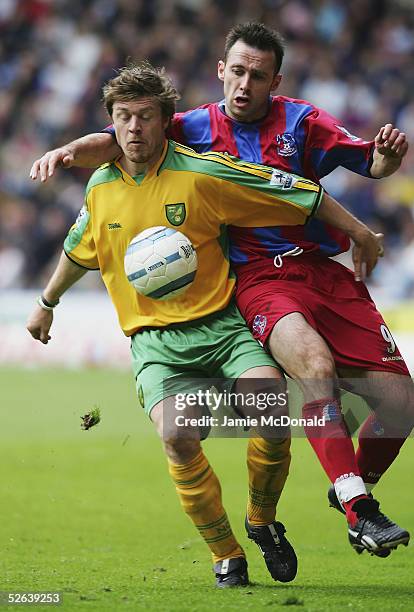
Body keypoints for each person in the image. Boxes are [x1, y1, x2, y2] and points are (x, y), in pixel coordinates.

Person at [30, 23, 413, 558]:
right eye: (237, 71)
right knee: (313, 366)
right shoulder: (187, 128)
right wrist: (69, 150)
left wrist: (384, 165)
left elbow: (366, 161)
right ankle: (351, 508)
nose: (244, 84)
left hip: (323, 270)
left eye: (258, 76)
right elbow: (120, 136)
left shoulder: (303, 121)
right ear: (220, 71)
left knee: (401, 402)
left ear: (274, 80)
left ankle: (352, 493)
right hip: (258, 276)